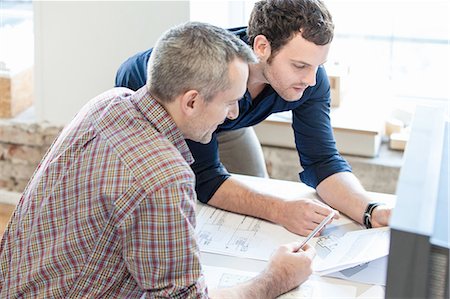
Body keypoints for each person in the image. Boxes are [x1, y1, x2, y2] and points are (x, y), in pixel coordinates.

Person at [0, 22, 316, 298]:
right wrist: (276, 278)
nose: (234, 114)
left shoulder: (108, 103)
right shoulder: (164, 177)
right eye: (230, 103)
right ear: (191, 101)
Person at [115, 0, 392, 236]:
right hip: (171, 111)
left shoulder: (309, 80)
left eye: (317, 66)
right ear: (262, 46)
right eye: (299, 66)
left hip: (226, 117)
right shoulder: (213, 75)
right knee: (180, 205)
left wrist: (370, 210)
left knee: (255, 187)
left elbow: (323, 161)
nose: (311, 79)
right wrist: (279, 209)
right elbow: (206, 179)